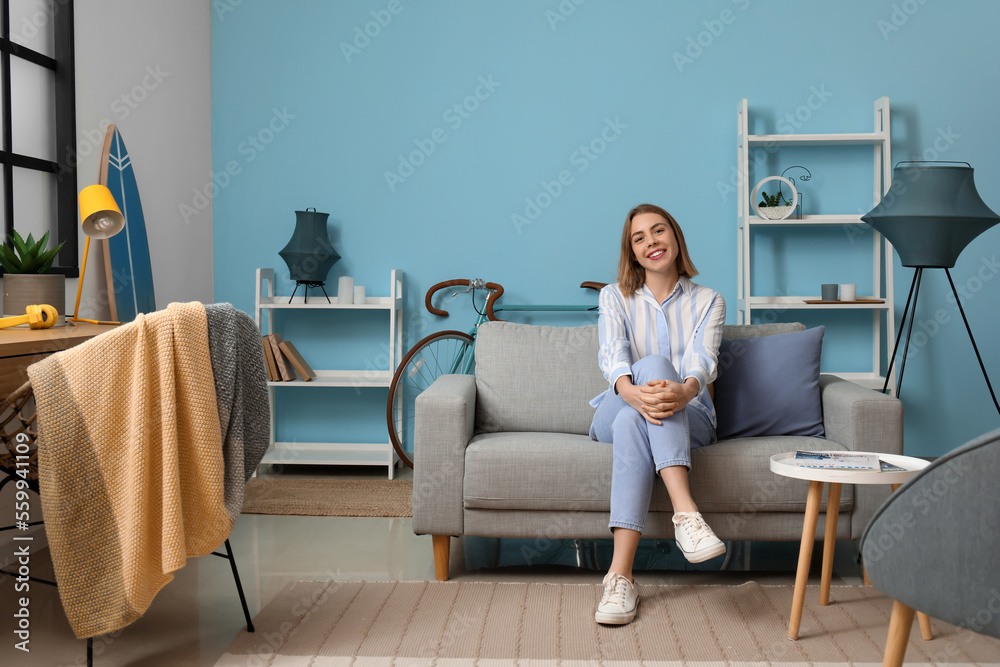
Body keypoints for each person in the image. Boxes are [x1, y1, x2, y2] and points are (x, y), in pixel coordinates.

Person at [589, 203, 726, 625]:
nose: (651, 242)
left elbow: (704, 361)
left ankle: (620, 577)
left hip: (691, 414)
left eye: (659, 231)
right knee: (649, 371)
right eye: (639, 238)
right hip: (616, 406)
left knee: (640, 414)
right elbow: (613, 356)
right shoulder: (614, 296)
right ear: (632, 253)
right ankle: (685, 513)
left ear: (675, 237)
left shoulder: (709, 301)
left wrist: (685, 392)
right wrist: (633, 391)